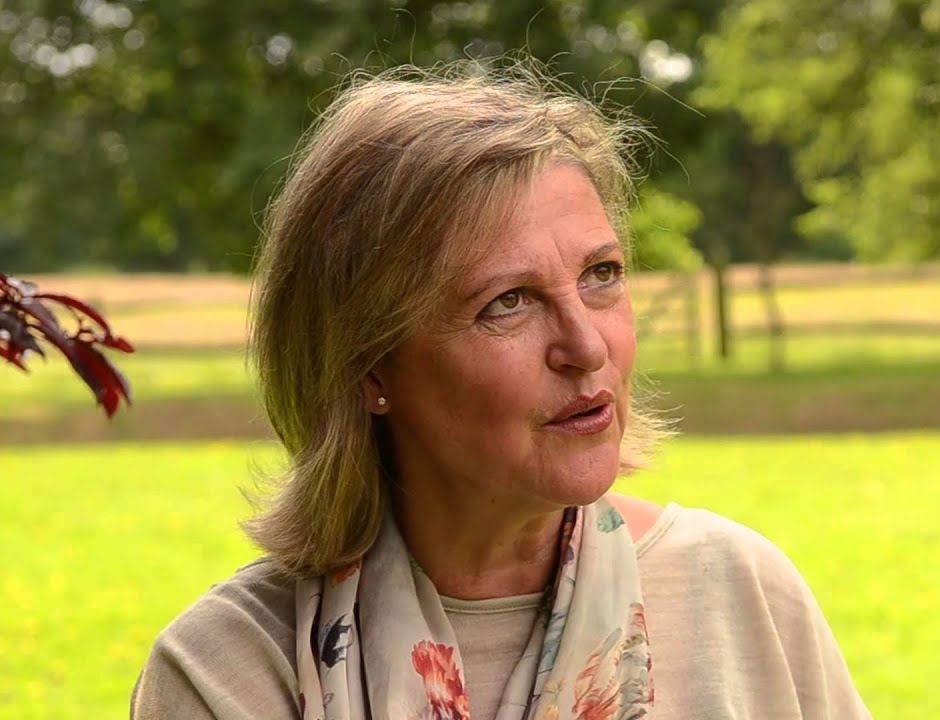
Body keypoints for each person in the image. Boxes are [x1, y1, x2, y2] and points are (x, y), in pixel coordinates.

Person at [131, 63, 873, 720]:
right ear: (368, 368)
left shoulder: (737, 595)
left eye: (601, 275)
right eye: (507, 302)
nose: (587, 347)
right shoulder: (228, 674)